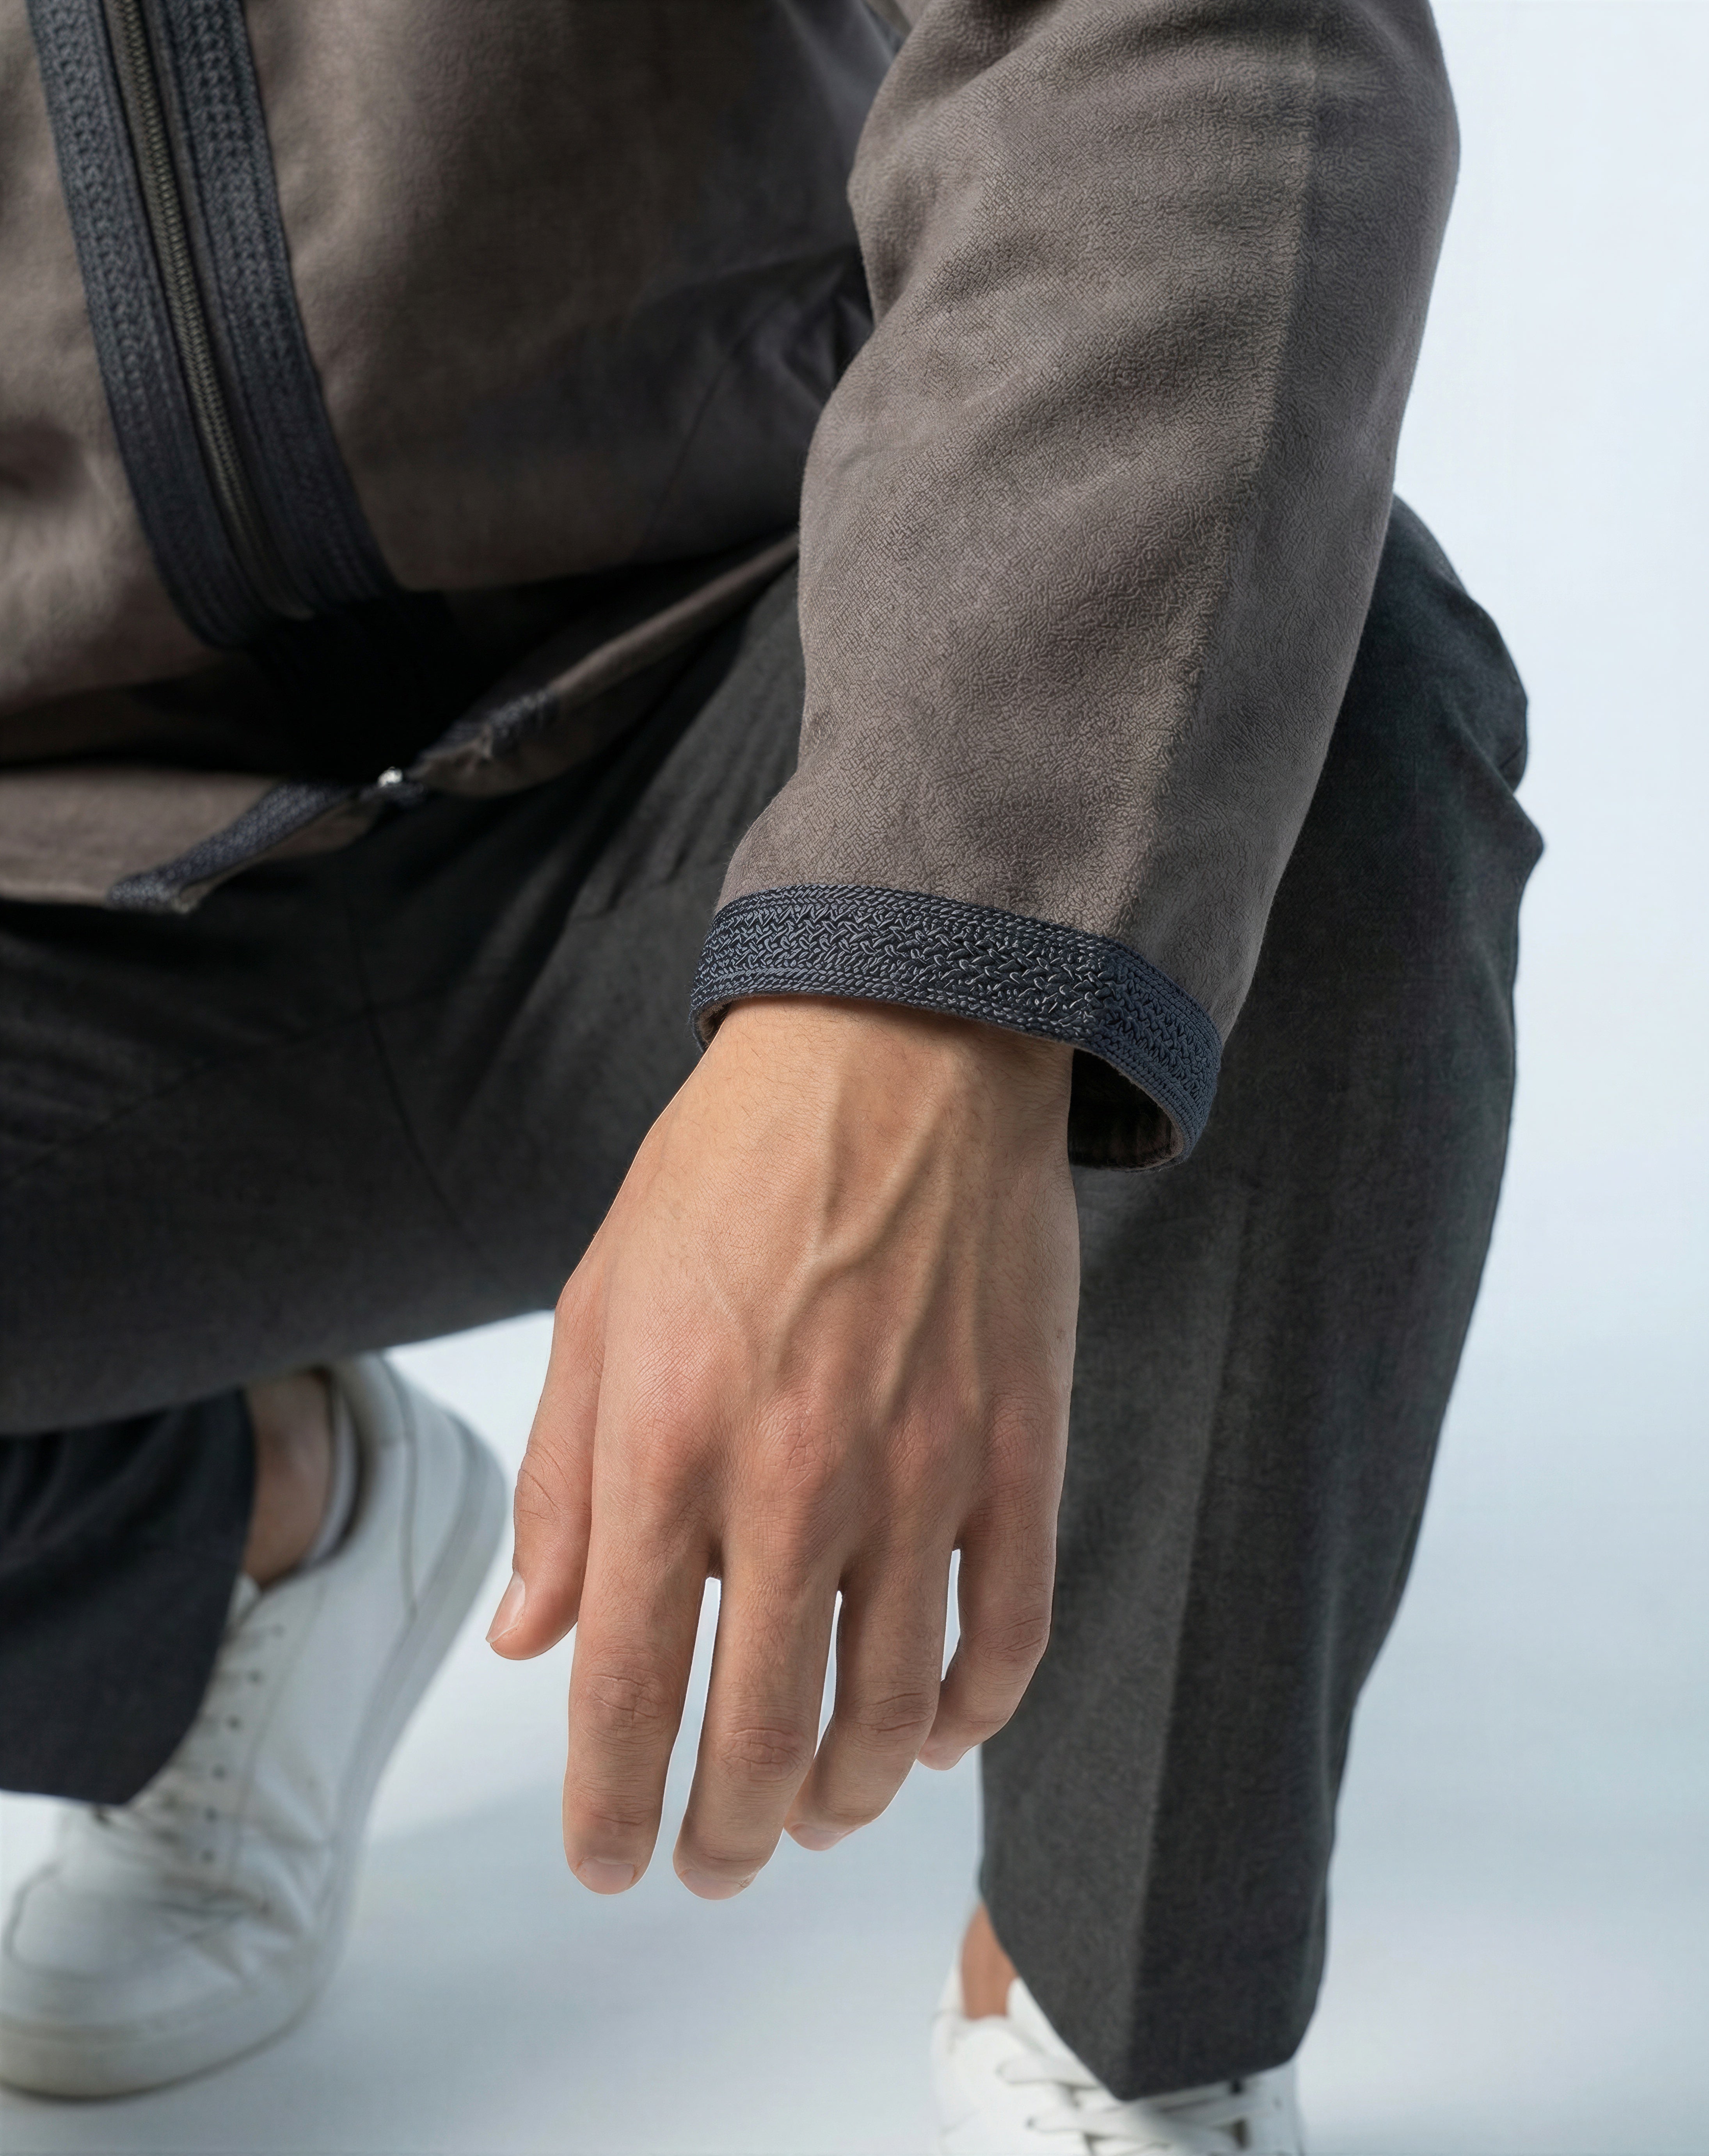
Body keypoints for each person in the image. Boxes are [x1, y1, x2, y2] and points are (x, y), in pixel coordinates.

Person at [0, 0, 1539, 2146]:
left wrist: (918, 948)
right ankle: (227, 1530)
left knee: (1315, 739)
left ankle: (1114, 2020)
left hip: (752, 708)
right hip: (65, 888)